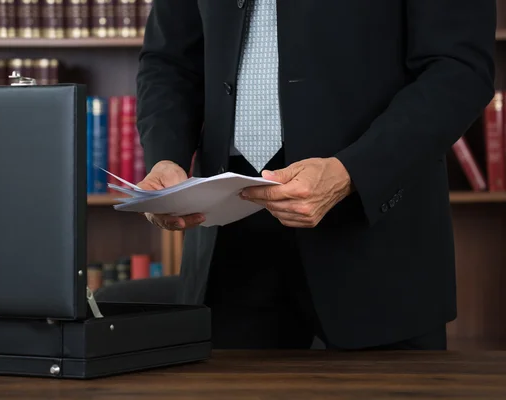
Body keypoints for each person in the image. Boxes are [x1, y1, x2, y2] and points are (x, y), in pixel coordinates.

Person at [134, 0, 496, 350]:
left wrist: (352, 172)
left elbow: (457, 68)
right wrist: (166, 158)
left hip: (376, 235)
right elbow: (169, 61)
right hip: (226, 240)